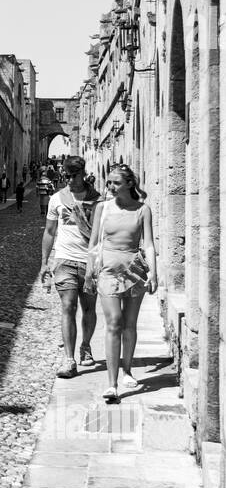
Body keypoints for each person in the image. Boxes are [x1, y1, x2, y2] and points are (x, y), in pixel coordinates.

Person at [84, 164, 158, 403]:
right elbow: (93, 243)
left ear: (129, 184)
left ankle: (127, 370)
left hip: (134, 270)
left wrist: (154, 274)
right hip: (108, 271)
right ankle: (112, 384)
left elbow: (148, 244)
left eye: (116, 182)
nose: (111, 187)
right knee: (114, 323)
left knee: (129, 324)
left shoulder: (143, 210)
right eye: (109, 183)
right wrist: (88, 274)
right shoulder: (102, 209)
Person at [40, 156, 101, 377]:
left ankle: (85, 345)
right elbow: (49, 232)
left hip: (90, 262)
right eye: (67, 176)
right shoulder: (57, 199)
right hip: (64, 260)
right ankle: (69, 359)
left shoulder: (97, 200)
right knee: (68, 308)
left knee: (89, 309)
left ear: (83, 173)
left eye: (75, 175)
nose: (71, 180)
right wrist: (44, 263)